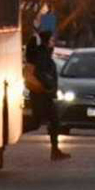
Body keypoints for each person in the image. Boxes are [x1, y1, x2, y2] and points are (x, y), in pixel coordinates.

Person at [30, 30, 70, 161]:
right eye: (52, 40)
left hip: (44, 93)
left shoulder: (44, 53)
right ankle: (7, 134)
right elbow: (41, 73)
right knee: (37, 122)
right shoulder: (42, 54)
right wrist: (49, 85)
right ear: (47, 41)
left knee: (53, 121)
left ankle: (55, 150)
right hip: (42, 93)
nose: (53, 43)